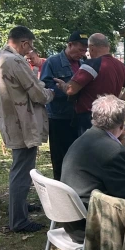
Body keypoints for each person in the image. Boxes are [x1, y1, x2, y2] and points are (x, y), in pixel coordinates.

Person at [60, 95, 125, 244]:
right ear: (122, 124)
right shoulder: (114, 151)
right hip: (91, 227)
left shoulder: (84, 138)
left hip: (71, 220)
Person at [0, 26, 55, 232]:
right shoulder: (15, 61)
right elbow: (37, 94)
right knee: (22, 171)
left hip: (10, 119)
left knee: (21, 168)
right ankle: (19, 221)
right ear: (25, 43)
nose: (30, 51)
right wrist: (52, 92)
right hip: (23, 122)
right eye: (30, 47)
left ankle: (19, 207)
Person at [54, 33, 125, 134]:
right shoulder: (121, 66)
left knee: (90, 148)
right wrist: (117, 101)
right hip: (111, 116)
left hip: (90, 118)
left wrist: (63, 85)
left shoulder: (92, 64)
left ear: (92, 47)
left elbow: (71, 90)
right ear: (108, 47)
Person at [41, 32, 89, 180]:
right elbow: (45, 86)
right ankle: (59, 189)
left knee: (78, 155)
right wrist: (66, 91)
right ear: (69, 45)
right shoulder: (52, 62)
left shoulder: (83, 64)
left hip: (79, 116)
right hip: (59, 117)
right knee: (60, 156)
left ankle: (75, 186)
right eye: (80, 49)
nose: (82, 53)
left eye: (84, 50)